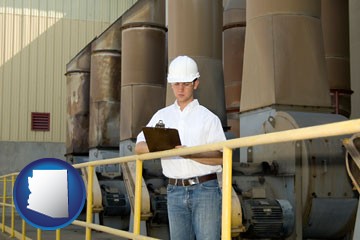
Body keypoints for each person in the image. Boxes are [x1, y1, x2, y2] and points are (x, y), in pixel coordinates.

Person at [135, 55, 226, 240]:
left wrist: (187, 153)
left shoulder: (209, 119)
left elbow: (221, 157)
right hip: (174, 190)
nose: (180, 88)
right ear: (171, 85)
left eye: (185, 83)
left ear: (196, 84)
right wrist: (163, 146)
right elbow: (139, 147)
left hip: (205, 189)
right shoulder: (162, 116)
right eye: (176, 84)